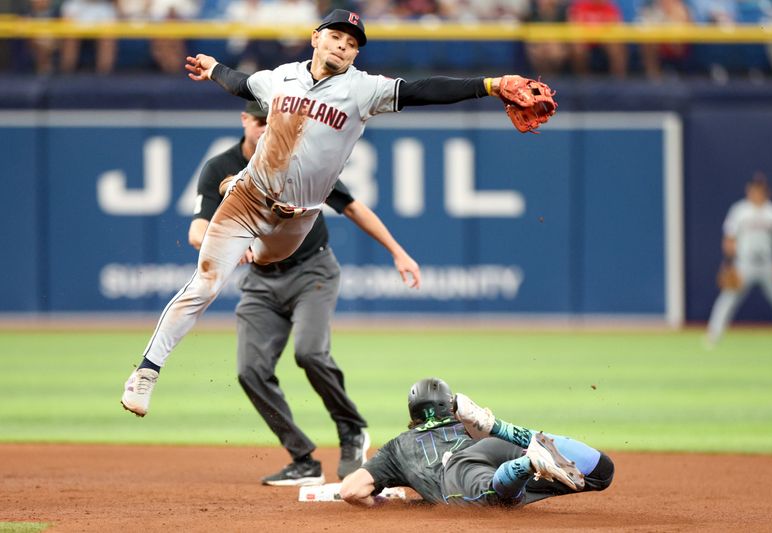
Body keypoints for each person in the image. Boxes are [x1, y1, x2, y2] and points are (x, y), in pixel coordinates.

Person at [120, 9, 547, 424]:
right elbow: (240, 84)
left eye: (351, 44)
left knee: (267, 259)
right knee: (205, 284)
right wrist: (214, 67)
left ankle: (248, 226)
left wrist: (489, 85)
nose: (342, 46)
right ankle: (146, 371)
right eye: (336, 37)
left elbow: (423, 90)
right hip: (249, 200)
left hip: (297, 221)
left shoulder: (363, 90)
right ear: (316, 38)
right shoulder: (279, 77)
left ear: (355, 55)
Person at [188, 100, 421, 485]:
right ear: (245, 120)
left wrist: (398, 252)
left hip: (312, 270)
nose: (266, 128)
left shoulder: (304, 160)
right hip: (261, 282)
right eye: (259, 120)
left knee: (310, 353)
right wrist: (220, 243)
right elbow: (198, 230)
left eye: (272, 121)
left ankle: (352, 431)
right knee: (251, 371)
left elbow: (353, 208)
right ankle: (303, 460)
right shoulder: (220, 168)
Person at [339, 378, 614, 507]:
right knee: (602, 473)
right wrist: (487, 429)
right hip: (491, 445)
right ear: (450, 407)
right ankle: (501, 429)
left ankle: (527, 464)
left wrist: (388, 504)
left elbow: (352, 491)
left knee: (491, 499)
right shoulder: (467, 426)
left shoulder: (397, 447)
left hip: (460, 470)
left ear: (413, 412)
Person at [706, 172, 772, 347]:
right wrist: (728, 264)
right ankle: (713, 335)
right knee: (727, 299)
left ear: (766, 191)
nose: (756, 192)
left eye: (760, 189)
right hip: (744, 264)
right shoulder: (739, 211)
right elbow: (729, 239)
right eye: (753, 188)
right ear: (748, 190)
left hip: (768, 264)